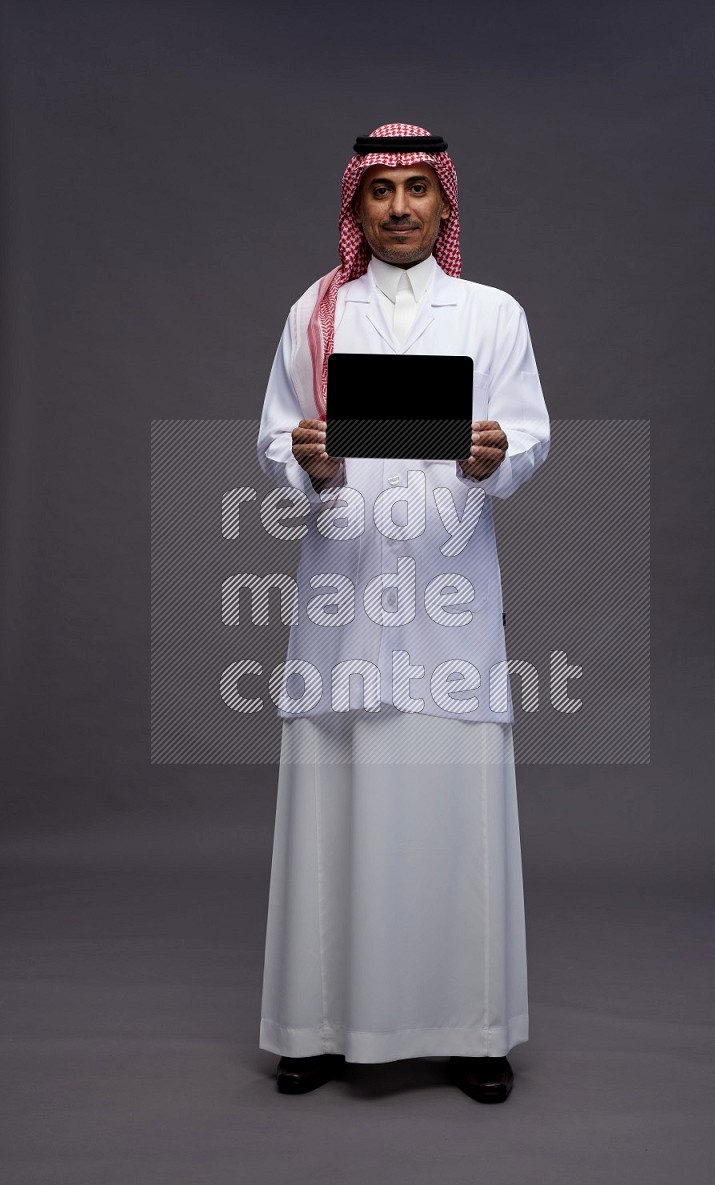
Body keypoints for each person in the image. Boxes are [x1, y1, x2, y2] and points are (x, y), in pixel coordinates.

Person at [256, 122, 550, 1103]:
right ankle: (317, 1025)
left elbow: (531, 434)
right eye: (380, 193)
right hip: (344, 593)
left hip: (447, 598)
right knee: (333, 804)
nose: (397, 210)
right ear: (356, 205)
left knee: (452, 808)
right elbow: (272, 438)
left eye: (416, 190)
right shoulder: (315, 314)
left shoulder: (491, 314)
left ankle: (470, 1031)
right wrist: (308, 460)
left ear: (443, 204)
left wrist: (492, 452)